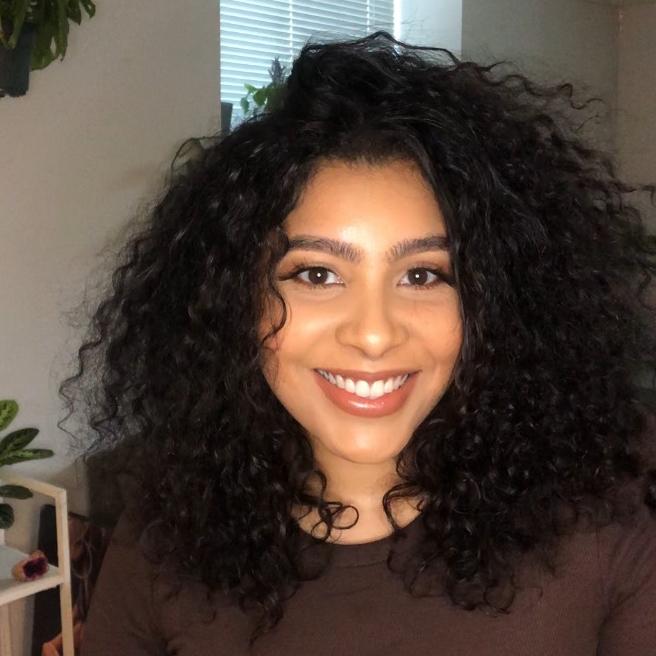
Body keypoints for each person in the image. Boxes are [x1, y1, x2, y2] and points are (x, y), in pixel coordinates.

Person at [63, 32, 656, 655]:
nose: (373, 334)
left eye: (422, 275)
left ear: (494, 302)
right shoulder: (164, 541)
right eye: (317, 275)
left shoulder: (604, 531)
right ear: (234, 300)